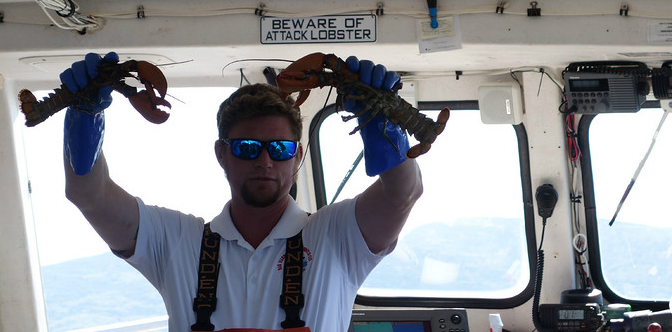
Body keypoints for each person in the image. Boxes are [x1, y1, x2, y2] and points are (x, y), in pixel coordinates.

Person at [62, 52, 424, 332]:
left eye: (279, 149)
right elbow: (90, 194)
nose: (265, 161)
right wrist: (85, 113)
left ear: (297, 156)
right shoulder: (174, 241)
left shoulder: (336, 236)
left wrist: (381, 121)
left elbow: (402, 193)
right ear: (222, 154)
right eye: (248, 147)